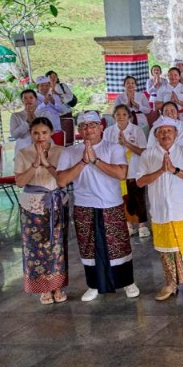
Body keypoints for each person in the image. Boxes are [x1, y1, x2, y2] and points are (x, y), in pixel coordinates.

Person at [56, 111, 139, 302]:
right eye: (84, 126)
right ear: (79, 130)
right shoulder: (69, 152)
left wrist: (95, 160)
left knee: (118, 245)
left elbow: (121, 174)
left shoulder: (113, 148)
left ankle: (127, 282)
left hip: (111, 204)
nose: (88, 129)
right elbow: (61, 181)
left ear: (101, 127)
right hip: (84, 205)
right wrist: (84, 162)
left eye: (93, 125)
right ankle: (93, 284)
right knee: (88, 247)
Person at [135, 117, 183, 301]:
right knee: (166, 249)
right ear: (156, 135)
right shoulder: (147, 155)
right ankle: (170, 284)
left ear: (176, 133)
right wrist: (160, 171)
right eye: (162, 131)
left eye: (169, 131)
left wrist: (174, 170)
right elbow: (140, 181)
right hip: (160, 211)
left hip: (182, 209)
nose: (166, 134)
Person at [14, 117, 69, 305]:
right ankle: (43, 288)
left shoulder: (61, 152)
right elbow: (20, 182)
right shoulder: (23, 153)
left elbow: (63, 180)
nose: (40, 137)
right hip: (32, 205)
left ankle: (57, 286)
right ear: (31, 133)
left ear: (51, 133)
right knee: (35, 249)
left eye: (44, 133)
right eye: (36, 133)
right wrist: (35, 163)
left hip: (55, 202)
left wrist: (46, 163)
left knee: (57, 247)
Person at [104, 105, 149, 238]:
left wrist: (126, 144)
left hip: (135, 169)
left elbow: (143, 152)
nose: (121, 117)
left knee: (138, 197)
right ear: (114, 117)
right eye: (118, 115)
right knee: (124, 198)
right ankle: (129, 224)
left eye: (124, 114)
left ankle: (142, 224)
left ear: (129, 116)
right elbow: (106, 152)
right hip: (117, 170)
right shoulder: (108, 132)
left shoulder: (137, 130)